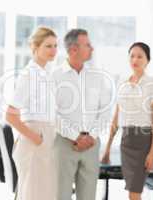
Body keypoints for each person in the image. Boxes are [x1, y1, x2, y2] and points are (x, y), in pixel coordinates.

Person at [51, 28, 112, 200]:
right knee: (60, 195)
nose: (92, 48)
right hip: (64, 144)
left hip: (92, 145)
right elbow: (51, 114)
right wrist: (74, 136)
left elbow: (106, 109)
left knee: (88, 197)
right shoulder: (55, 76)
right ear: (73, 49)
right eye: (87, 45)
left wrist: (91, 136)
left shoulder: (97, 76)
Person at [101, 42, 153, 200]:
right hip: (126, 140)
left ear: (147, 60)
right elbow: (116, 117)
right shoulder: (122, 83)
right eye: (132, 56)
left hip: (143, 140)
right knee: (132, 191)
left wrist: (152, 153)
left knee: (135, 191)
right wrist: (107, 148)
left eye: (140, 56)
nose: (135, 59)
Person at [6, 27, 58, 200]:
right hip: (34, 142)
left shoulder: (45, 73)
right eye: (48, 46)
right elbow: (10, 115)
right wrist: (36, 138)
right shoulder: (29, 75)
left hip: (46, 138)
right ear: (35, 47)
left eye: (55, 46)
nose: (53, 50)